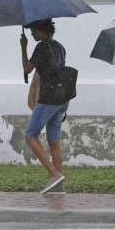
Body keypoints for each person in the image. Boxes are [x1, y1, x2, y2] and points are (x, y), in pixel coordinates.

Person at [20, 18, 69, 195]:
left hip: (48, 98)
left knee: (30, 136)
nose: (32, 33)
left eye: (33, 30)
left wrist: (23, 47)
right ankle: (58, 187)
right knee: (53, 141)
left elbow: (27, 69)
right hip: (63, 99)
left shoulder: (41, 47)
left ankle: (54, 174)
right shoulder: (60, 47)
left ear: (42, 30)